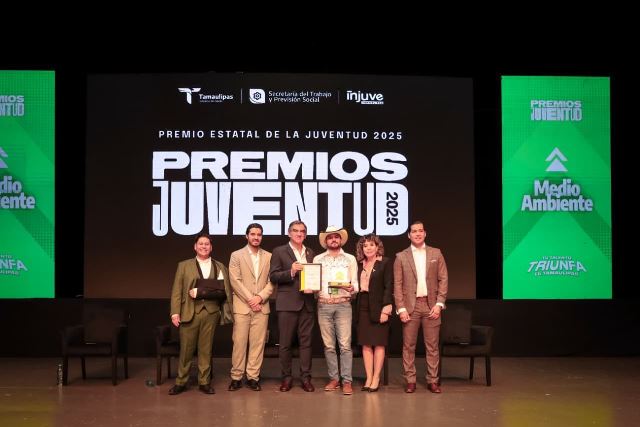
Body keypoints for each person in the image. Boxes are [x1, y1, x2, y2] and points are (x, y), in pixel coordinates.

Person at [168, 233, 233, 395]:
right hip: (189, 312)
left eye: (207, 244)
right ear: (195, 246)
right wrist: (175, 312)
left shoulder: (219, 266)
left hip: (211, 313)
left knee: (206, 349)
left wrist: (202, 292)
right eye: (201, 244)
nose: (204, 246)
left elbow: (223, 291)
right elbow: (177, 291)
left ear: (211, 247)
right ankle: (181, 381)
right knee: (186, 350)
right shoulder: (184, 265)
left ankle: (204, 382)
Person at [394, 221, 448, 394]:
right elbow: (397, 284)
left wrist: (439, 304)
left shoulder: (436, 253)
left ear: (425, 233)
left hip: (431, 305)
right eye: (414, 231)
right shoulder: (401, 256)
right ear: (409, 235)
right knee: (408, 346)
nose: (417, 234)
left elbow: (443, 279)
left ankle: (433, 381)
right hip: (411, 306)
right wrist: (401, 308)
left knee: (432, 346)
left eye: (420, 231)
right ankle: (410, 381)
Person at [269, 220, 316, 392]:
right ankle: (286, 378)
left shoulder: (310, 252)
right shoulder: (279, 251)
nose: (299, 233)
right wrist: (291, 271)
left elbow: (314, 275)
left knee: (306, 344)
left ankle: (306, 378)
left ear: (305, 234)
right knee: (285, 344)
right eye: (295, 231)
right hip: (287, 304)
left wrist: (315, 286)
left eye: (302, 231)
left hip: (307, 303)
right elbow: (273, 276)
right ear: (289, 233)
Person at [227, 223, 273, 392]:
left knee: (258, 344)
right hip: (242, 306)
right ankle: (236, 377)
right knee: (239, 343)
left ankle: (253, 377)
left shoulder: (269, 256)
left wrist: (259, 298)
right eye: (253, 234)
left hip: (262, 306)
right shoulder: (236, 255)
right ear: (246, 236)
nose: (256, 237)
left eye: (259, 234)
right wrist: (251, 299)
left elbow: (272, 282)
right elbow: (235, 280)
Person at [313, 226, 359, 395]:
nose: (333, 239)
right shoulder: (318, 259)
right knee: (329, 346)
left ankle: (347, 381)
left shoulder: (350, 259)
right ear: (326, 241)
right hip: (323, 304)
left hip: (343, 305)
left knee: (345, 345)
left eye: (336, 237)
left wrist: (352, 288)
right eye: (330, 237)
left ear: (341, 240)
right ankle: (334, 378)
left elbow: (356, 284)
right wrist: (310, 287)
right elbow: (312, 280)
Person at [355, 233, 393, 392]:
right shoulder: (359, 264)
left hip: (379, 306)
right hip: (362, 305)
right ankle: (368, 377)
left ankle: (376, 377)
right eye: (365, 245)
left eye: (371, 245)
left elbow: (389, 286)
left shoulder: (385, 262)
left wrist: (386, 308)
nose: (368, 248)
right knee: (366, 343)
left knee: (378, 343)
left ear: (377, 247)